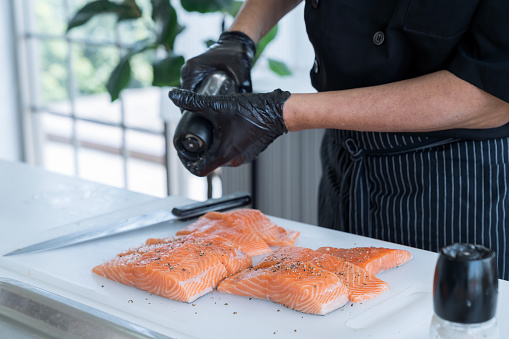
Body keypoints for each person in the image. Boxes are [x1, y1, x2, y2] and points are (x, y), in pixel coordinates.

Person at [168, 0, 509, 279]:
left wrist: (284, 113)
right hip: (343, 158)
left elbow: (492, 96)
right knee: (336, 311)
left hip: (453, 179)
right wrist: (240, 37)